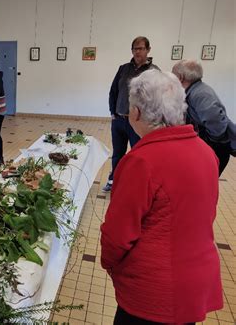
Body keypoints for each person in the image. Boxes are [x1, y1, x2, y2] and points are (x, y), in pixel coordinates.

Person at [100, 70, 223, 324]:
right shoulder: (206, 152)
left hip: (152, 294)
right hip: (194, 285)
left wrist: (111, 265)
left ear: (136, 113)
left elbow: (118, 236)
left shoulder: (141, 161)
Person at [102, 36, 159, 192]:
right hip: (119, 120)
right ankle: (114, 180)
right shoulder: (123, 69)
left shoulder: (154, 72)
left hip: (140, 124)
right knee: (118, 155)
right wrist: (113, 112)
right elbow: (113, 91)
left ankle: (137, 185)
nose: (137, 51)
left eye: (140, 48)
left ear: (148, 50)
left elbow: (157, 99)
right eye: (134, 48)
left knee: (139, 156)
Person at [172, 59, 235, 176]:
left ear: (180, 77)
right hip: (213, 146)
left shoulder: (201, 94)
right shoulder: (195, 91)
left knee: (204, 182)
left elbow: (217, 124)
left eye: (173, 74)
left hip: (216, 148)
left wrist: (209, 143)